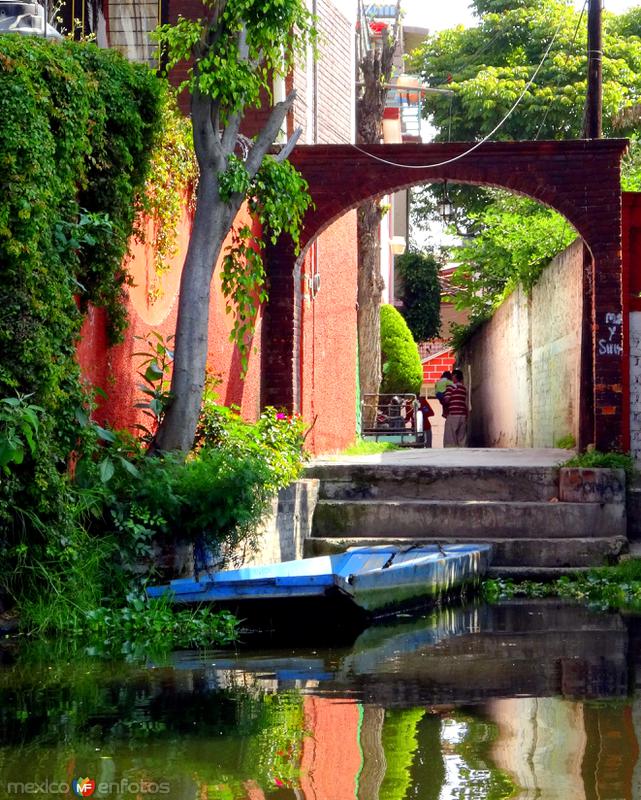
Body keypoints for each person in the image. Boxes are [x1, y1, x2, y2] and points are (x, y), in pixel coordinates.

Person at [443, 369, 468, 447]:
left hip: (453, 414)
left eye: (452, 376)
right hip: (463, 415)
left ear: (455, 376)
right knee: (462, 437)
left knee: (450, 437)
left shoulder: (451, 387)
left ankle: (452, 454)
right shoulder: (464, 389)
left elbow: (446, 400)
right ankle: (463, 453)